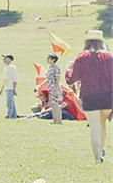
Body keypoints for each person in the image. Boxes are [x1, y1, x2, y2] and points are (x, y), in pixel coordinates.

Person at [65, 29, 113, 162]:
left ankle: (97, 157)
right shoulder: (109, 57)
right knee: (102, 124)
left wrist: (68, 70)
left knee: (94, 126)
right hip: (108, 97)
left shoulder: (82, 57)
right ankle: (102, 150)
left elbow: (71, 79)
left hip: (89, 96)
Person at [43, 54, 63, 125]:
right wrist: (39, 86)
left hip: (55, 88)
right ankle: (55, 120)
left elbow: (58, 79)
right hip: (50, 88)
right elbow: (48, 79)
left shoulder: (56, 68)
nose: (47, 59)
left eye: (49, 58)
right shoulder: (49, 67)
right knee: (53, 105)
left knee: (56, 105)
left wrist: (55, 89)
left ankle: (59, 121)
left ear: (53, 60)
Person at [1, 54, 19, 119]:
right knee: (12, 103)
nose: (3, 60)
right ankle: (14, 116)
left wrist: (14, 88)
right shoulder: (6, 67)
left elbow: (15, 79)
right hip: (7, 87)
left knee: (9, 103)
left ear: (9, 59)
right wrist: (2, 89)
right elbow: (5, 79)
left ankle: (9, 115)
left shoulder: (12, 67)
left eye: (5, 58)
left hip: (11, 87)